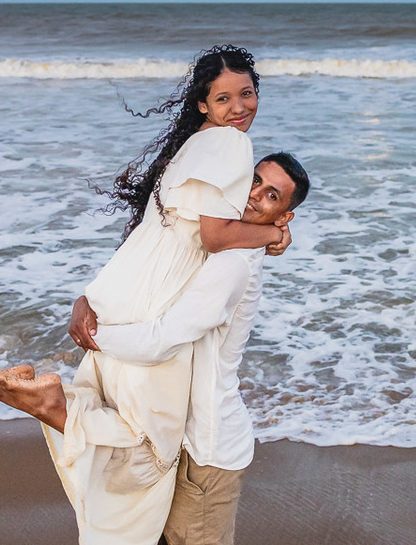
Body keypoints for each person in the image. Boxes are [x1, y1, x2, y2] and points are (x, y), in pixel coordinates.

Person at [0, 45, 289, 545]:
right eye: (224, 98)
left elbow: (148, 236)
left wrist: (90, 298)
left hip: (124, 290)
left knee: (124, 423)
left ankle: (59, 405)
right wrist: (272, 236)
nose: (239, 107)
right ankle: (55, 406)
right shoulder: (230, 146)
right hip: (149, 309)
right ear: (203, 105)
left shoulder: (190, 146)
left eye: (247, 93)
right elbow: (214, 236)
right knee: (149, 447)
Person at [71, 152, 310, 545]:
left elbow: (164, 339)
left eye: (272, 196)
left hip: (207, 449)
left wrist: (95, 337)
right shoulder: (217, 241)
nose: (254, 196)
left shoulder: (233, 264)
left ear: (284, 216)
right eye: (254, 181)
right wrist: (89, 300)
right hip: (179, 433)